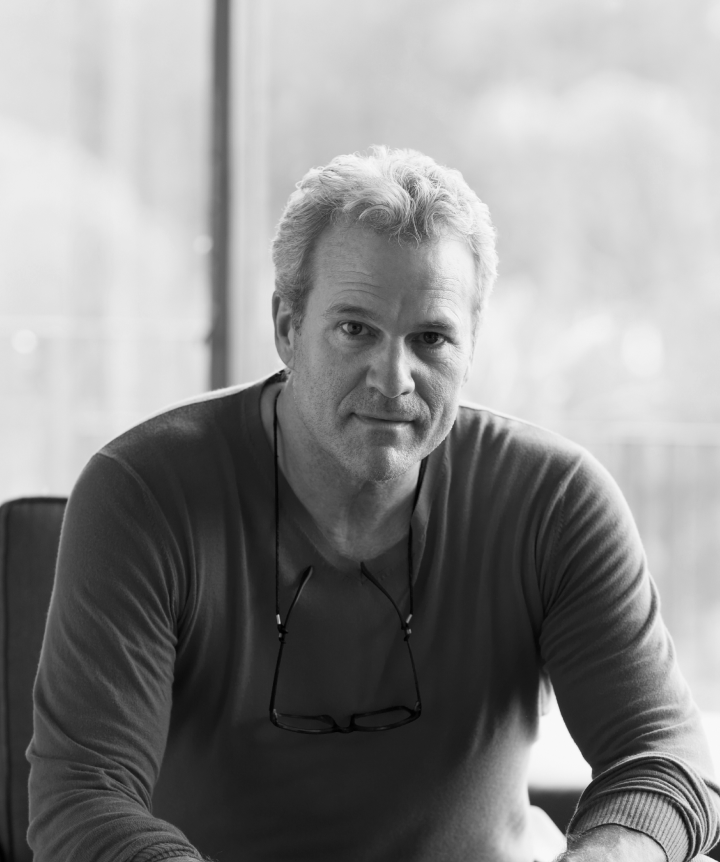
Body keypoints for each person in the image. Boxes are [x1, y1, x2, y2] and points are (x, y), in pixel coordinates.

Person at [28, 147, 719, 862]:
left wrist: (608, 856)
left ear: (470, 346)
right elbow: (83, 795)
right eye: (356, 329)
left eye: (431, 338)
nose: (395, 380)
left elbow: (663, 754)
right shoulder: (143, 492)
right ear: (287, 328)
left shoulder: (555, 501)